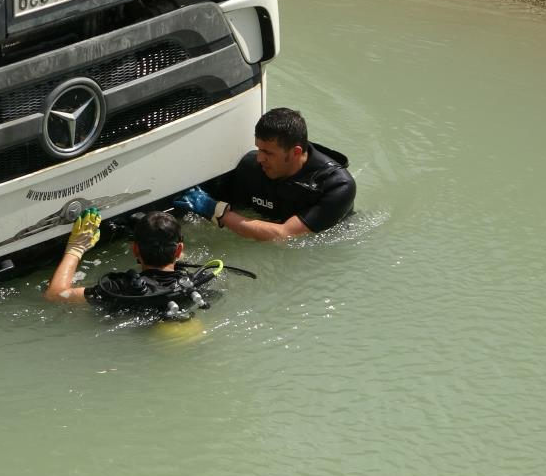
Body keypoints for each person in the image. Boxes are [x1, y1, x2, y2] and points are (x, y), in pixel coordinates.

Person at [173, 107, 356, 241]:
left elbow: (284, 235)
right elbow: (198, 199)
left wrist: (217, 212)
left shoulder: (337, 186)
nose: (259, 158)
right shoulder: (250, 167)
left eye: (268, 153)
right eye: (258, 149)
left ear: (296, 152)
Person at [44, 209, 239, 321]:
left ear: (135, 250)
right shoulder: (190, 281)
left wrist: (76, 247)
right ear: (179, 251)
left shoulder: (121, 288)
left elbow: (55, 294)